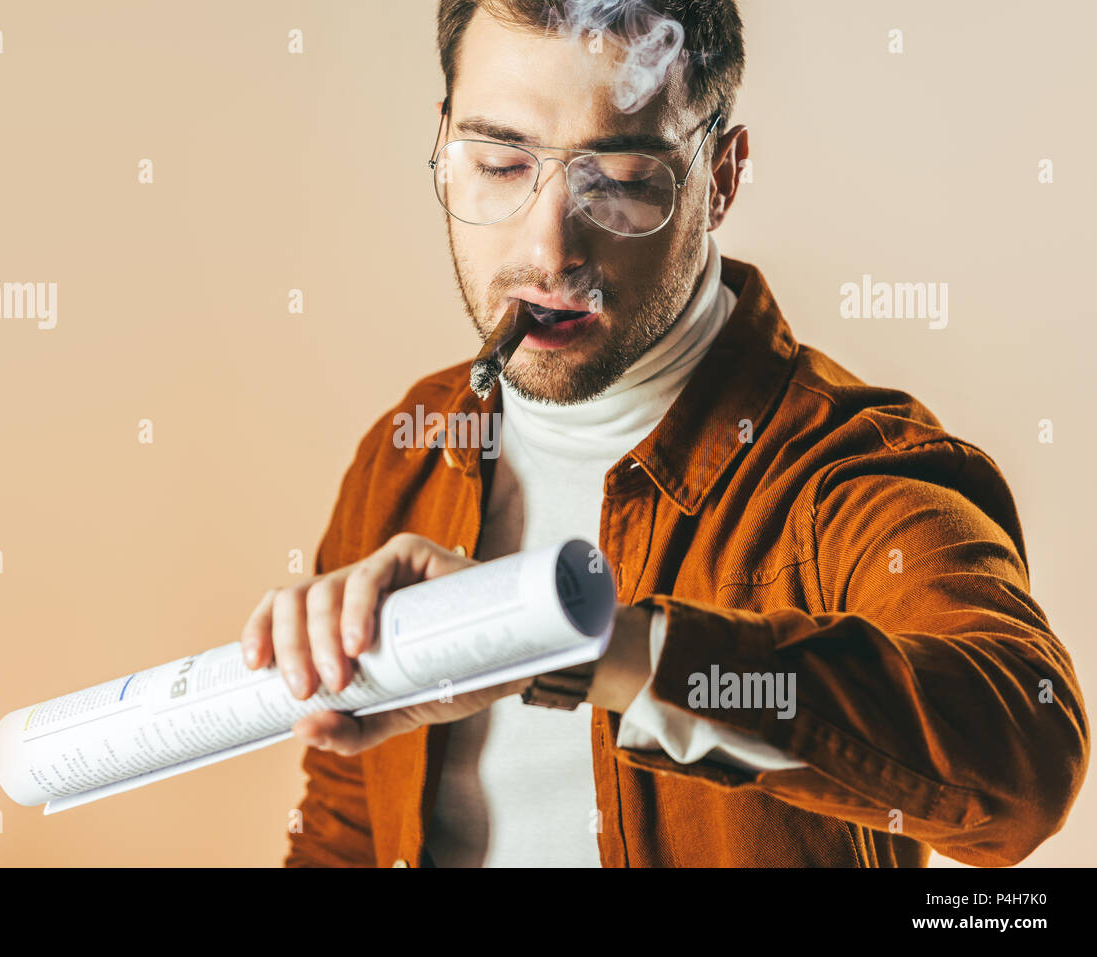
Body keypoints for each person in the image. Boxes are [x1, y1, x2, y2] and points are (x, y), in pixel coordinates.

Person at [240, 0, 1089, 867]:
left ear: (719, 176)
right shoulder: (407, 452)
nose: (550, 249)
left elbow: (1024, 760)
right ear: (443, 143)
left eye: (621, 180)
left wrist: (571, 639)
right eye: (499, 164)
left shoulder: (845, 469)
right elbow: (347, 822)